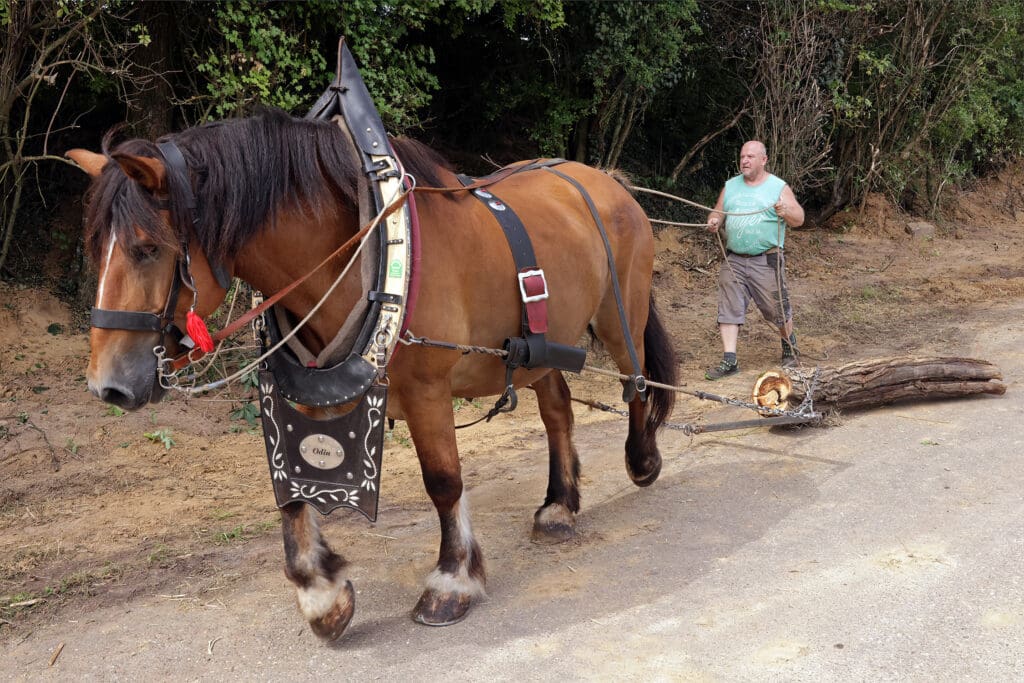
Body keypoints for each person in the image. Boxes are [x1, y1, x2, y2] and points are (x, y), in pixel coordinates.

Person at [704, 140, 805, 380]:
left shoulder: (778, 187)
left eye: (750, 156)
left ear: (763, 160)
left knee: (776, 308)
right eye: (742, 157)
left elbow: (799, 218)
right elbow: (718, 210)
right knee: (728, 308)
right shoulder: (731, 186)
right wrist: (714, 220)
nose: (745, 161)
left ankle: (789, 348)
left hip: (766, 259)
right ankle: (730, 360)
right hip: (734, 260)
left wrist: (786, 211)